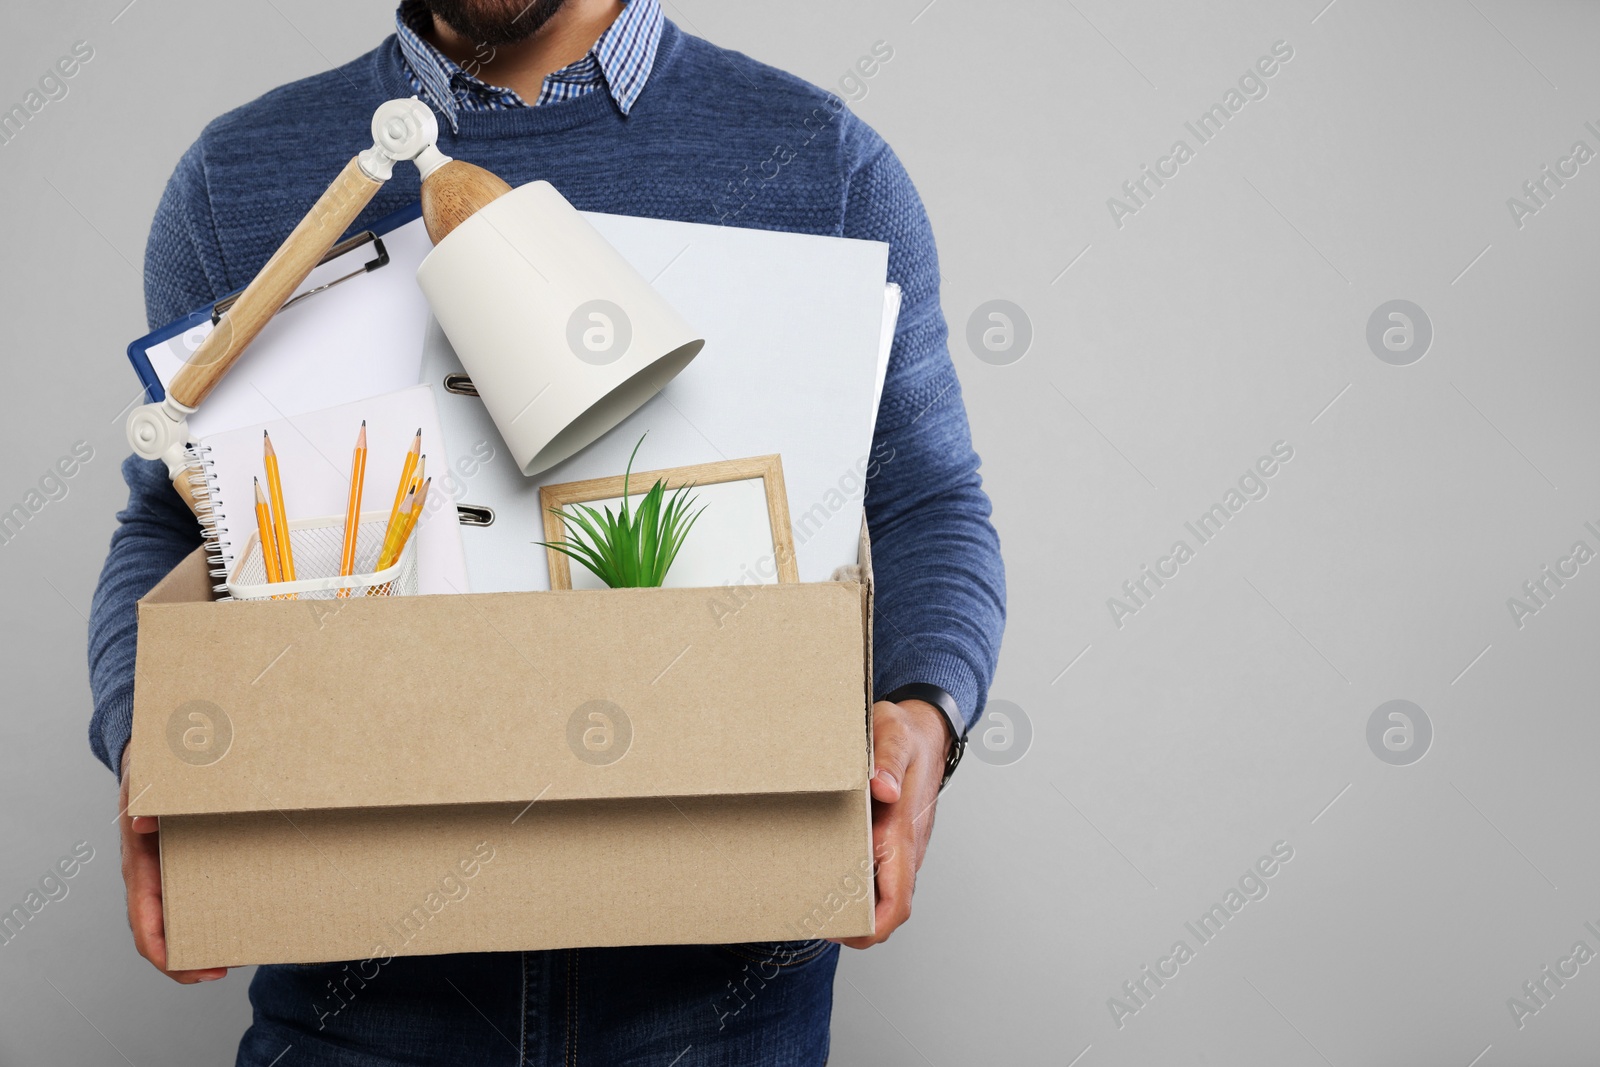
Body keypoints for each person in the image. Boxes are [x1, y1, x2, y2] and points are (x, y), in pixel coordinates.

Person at [88, 1, 1006, 1062]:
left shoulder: (821, 160)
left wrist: (923, 714)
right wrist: (147, 751)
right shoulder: (237, 177)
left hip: (720, 1008)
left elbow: (926, 499)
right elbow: (169, 519)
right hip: (360, 1005)